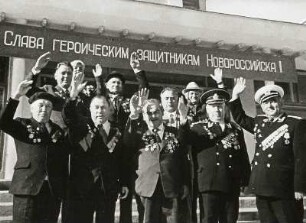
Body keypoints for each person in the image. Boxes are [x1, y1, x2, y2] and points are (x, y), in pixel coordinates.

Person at [229, 77, 306, 223]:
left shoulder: (296, 124)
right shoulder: (259, 122)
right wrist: (235, 96)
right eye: (265, 103)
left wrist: (300, 188)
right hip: (262, 186)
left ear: (281, 102)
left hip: (284, 188)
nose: (269, 106)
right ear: (261, 106)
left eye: (273, 101)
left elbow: (301, 159)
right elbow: (240, 118)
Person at [62, 74, 129, 223]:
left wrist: (123, 182)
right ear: (90, 109)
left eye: (103, 107)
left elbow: (122, 160)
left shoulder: (117, 131)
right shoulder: (81, 126)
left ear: (110, 109)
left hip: (107, 187)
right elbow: (69, 116)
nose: (100, 111)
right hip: (82, 187)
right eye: (96, 107)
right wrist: (72, 97)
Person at [0, 80, 68, 223]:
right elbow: (3, 122)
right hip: (27, 189)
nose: (44, 109)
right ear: (31, 108)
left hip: (51, 190)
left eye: (48, 106)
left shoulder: (58, 131)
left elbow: (61, 160)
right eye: (41, 105)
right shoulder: (22, 124)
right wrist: (17, 96)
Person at [124, 92, 189, 223]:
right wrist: (134, 115)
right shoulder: (138, 133)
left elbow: (183, 156)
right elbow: (127, 142)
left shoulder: (174, 132)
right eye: (149, 113)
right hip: (147, 187)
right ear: (144, 115)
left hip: (171, 186)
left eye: (156, 112)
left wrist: (185, 184)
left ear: (162, 112)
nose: (153, 116)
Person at [187, 88, 250, 223]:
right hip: (208, 183)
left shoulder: (235, 129)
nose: (217, 110)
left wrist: (245, 179)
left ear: (225, 107)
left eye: (220, 106)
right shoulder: (197, 128)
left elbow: (242, 156)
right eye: (213, 106)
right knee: (208, 219)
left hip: (231, 182)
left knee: (230, 219)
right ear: (207, 109)